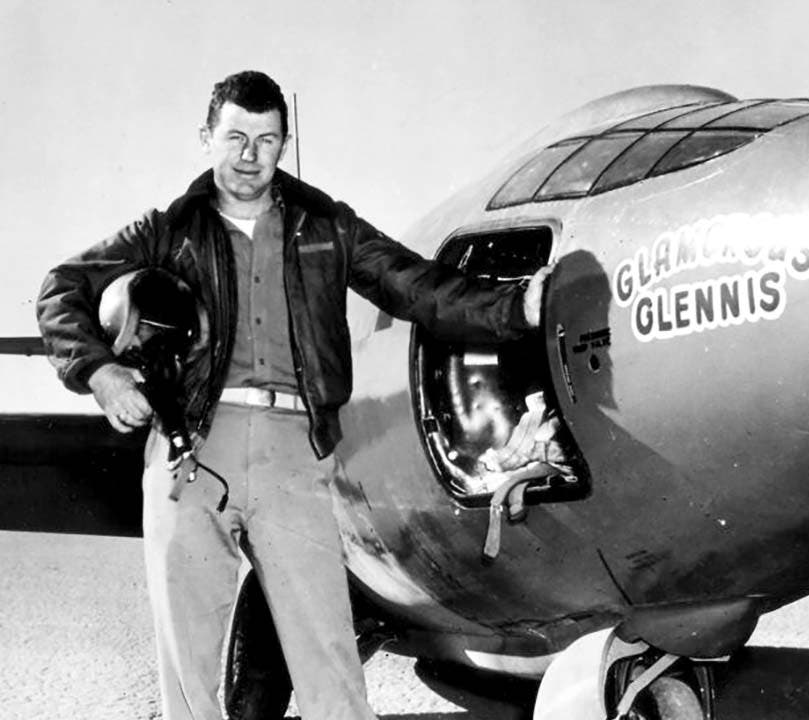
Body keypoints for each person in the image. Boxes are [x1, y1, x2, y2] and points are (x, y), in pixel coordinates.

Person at [36, 70, 549, 720]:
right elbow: (61, 288)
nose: (250, 156)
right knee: (189, 673)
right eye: (235, 138)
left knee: (329, 660)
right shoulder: (168, 230)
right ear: (206, 138)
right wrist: (100, 373)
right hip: (190, 447)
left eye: (267, 140)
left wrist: (513, 308)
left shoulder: (327, 226)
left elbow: (413, 286)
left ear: (284, 143)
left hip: (293, 452)